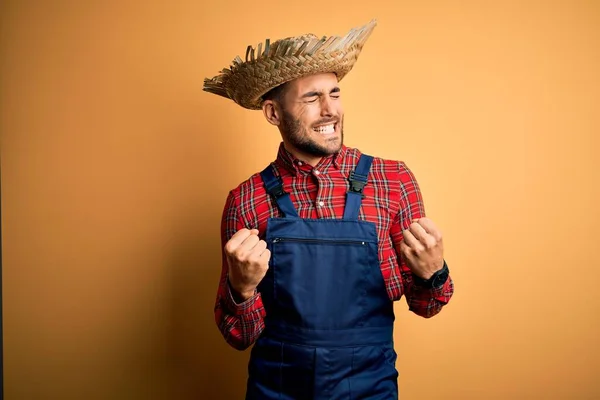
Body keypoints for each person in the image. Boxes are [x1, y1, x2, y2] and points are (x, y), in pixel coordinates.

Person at [204, 19, 454, 400]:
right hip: (277, 390)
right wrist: (242, 288)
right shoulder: (246, 199)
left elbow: (427, 306)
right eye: (310, 98)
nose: (329, 110)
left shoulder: (392, 181)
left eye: (334, 93)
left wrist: (433, 273)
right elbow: (238, 336)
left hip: (369, 388)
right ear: (273, 113)